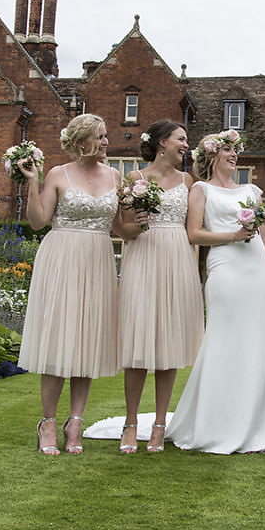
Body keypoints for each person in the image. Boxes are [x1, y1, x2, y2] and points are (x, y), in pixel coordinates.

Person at [165, 130, 265, 454]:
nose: (234, 155)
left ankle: (256, 424)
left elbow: (264, 235)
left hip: (257, 273)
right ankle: (215, 422)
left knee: (257, 344)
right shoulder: (201, 190)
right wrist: (232, 236)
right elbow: (194, 234)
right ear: (212, 156)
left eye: (236, 151)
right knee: (222, 340)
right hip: (225, 272)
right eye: (228, 150)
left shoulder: (251, 190)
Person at [18, 113, 141, 455]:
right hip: (61, 258)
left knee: (86, 341)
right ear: (81, 142)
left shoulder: (115, 176)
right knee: (58, 340)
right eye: (100, 137)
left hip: (98, 259)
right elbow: (38, 221)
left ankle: (75, 422)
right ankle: (47, 423)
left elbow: (119, 229)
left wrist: (142, 222)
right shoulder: (58, 174)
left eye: (105, 136)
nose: (106, 142)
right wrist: (31, 182)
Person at [115, 120, 202, 454]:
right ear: (163, 142)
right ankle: (131, 423)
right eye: (181, 140)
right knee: (138, 344)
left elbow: (196, 226)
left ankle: (160, 425)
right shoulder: (135, 179)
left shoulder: (188, 181)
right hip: (143, 259)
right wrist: (137, 225)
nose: (186, 145)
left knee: (169, 346)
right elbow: (123, 229)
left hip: (178, 260)